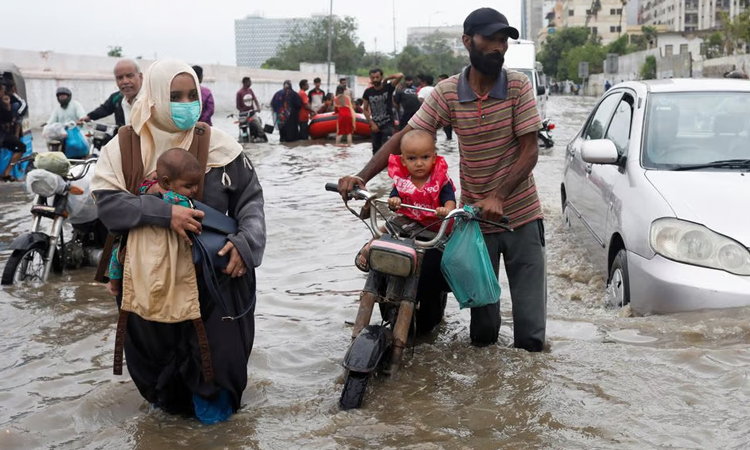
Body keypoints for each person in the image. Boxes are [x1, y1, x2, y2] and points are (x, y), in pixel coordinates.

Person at [338, 8, 546, 352]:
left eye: (503, 40)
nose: (498, 47)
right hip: (475, 224)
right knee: (483, 333)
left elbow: (529, 152)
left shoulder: (518, 87)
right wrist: (359, 176)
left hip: (522, 218)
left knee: (530, 337)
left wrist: (499, 194)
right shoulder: (448, 92)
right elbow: (405, 137)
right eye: (490, 39)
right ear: (467, 41)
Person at [91, 59, 266, 423]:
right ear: (153, 98)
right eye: (175, 96)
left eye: (191, 95)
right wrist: (163, 212)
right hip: (146, 282)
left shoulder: (221, 147)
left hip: (216, 283)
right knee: (160, 384)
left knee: (217, 374)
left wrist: (247, 244)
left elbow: (250, 202)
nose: (187, 103)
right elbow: (109, 206)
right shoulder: (124, 147)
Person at [106, 148, 203, 297]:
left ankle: (114, 286)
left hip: (140, 243)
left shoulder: (146, 187)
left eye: (196, 184)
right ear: (167, 182)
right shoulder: (180, 201)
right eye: (188, 186)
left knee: (117, 257)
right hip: (166, 248)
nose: (195, 190)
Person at [355, 129, 456, 271]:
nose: (419, 163)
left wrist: (446, 210)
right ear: (403, 160)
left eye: (425, 157)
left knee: (451, 254)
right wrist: (394, 201)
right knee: (389, 224)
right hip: (410, 221)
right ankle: (369, 246)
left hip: (436, 225)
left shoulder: (440, 180)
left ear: (434, 158)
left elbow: (450, 200)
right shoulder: (403, 180)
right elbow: (394, 197)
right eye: (412, 159)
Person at [79, 59, 143, 128]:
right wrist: (89, 116)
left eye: (130, 76)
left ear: (140, 77)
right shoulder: (117, 98)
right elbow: (104, 109)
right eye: (120, 78)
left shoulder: (151, 98)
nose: (125, 81)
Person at [363, 68, 403, 155]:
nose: (375, 80)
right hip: (375, 125)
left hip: (388, 124)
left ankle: (389, 167)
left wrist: (387, 78)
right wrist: (371, 122)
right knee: (376, 151)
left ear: (381, 77)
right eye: (372, 78)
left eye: (377, 77)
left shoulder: (388, 88)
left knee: (388, 148)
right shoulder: (368, 92)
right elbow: (365, 109)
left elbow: (400, 75)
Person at [1, 84, 27, 181]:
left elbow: (8, 118)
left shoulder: (7, 101)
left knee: (21, 147)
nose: (4, 93)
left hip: (3, 135)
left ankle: (7, 172)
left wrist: (7, 105)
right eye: (3, 91)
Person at [438, 74, 453, 140]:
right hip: (444, 112)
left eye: (440, 80)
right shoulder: (441, 89)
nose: (439, 82)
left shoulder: (450, 88)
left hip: (449, 112)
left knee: (448, 130)